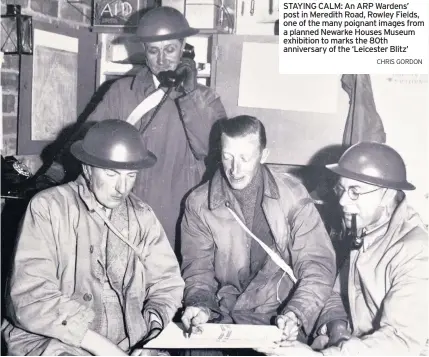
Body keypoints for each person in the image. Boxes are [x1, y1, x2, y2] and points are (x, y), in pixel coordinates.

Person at [1, 120, 185, 356]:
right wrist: (106, 350)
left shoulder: (142, 216)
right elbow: (30, 296)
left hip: (129, 343)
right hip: (55, 342)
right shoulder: (49, 207)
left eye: (131, 176)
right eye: (111, 174)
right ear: (87, 168)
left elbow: (167, 283)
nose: (122, 187)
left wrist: (148, 334)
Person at [180, 115, 337, 353]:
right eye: (227, 156)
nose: (234, 169)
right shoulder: (199, 203)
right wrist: (199, 306)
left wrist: (296, 312)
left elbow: (317, 264)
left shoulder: (292, 194)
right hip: (225, 313)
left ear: (264, 156)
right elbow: (198, 270)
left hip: (280, 311)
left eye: (245, 158)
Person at [255, 141, 429, 356]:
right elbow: (336, 292)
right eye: (342, 189)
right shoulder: (367, 230)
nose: (344, 201)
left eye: (355, 191)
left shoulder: (417, 251)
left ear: (388, 193)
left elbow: (401, 341)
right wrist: (337, 327)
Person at [87, 6, 227, 253]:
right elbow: (91, 147)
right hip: (126, 216)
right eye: (154, 51)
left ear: (184, 47)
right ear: (144, 51)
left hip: (180, 221)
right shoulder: (121, 93)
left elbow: (211, 148)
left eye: (170, 49)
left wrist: (190, 95)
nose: (162, 60)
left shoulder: (206, 99)